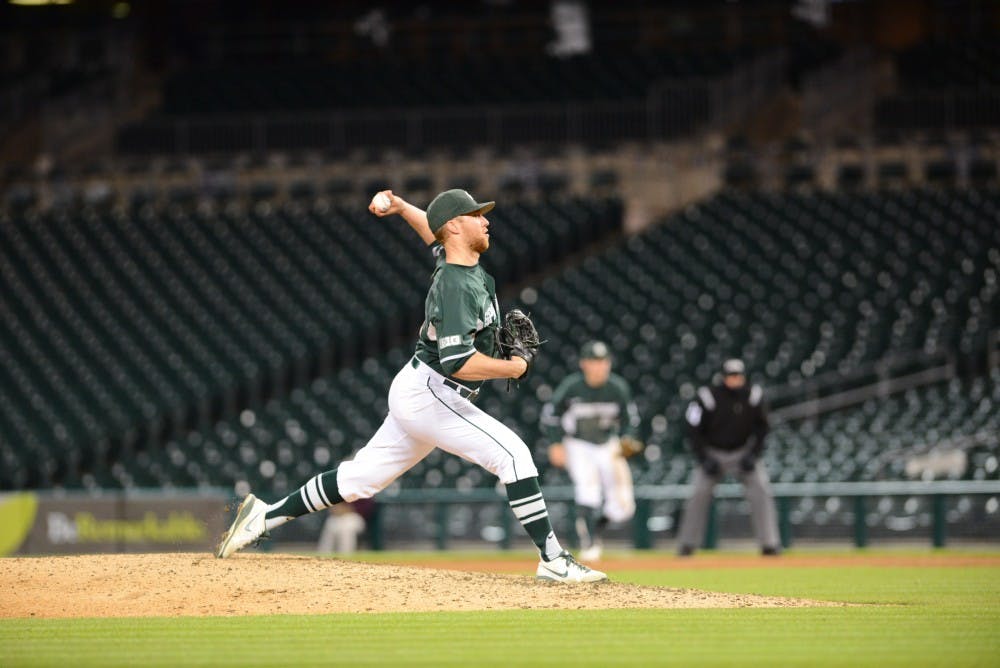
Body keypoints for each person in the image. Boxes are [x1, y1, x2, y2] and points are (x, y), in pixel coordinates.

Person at [216, 188, 606, 583]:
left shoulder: (461, 266)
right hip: (433, 393)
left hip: (420, 387)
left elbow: (432, 230)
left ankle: (263, 515)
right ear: (456, 226)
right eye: (476, 215)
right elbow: (459, 362)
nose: (486, 220)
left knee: (360, 478)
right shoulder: (456, 286)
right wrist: (515, 368)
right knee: (515, 456)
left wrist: (402, 206)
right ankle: (553, 559)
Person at [540, 340, 642, 561]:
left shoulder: (617, 388)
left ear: (608, 364)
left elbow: (631, 420)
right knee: (588, 490)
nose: (598, 367)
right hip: (578, 444)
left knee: (624, 506)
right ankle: (590, 542)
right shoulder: (572, 387)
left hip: (607, 445)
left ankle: (595, 527)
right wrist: (555, 443)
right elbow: (550, 416)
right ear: (583, 364)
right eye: (593, 362)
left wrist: (627, 438)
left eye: (602, 362)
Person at [676, 358, 781, 556]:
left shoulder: (753, 396)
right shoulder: (707, 396)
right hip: (713, 451)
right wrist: (703, 458)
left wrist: (753, 454)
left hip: (743, 451)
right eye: (730, 376)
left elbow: (763, 428)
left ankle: (770, 544)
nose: (734, 379)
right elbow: (692, 430)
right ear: (723, 377)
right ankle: (687, 544)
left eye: (738, 376)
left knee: (761, 489)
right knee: (698, 493)